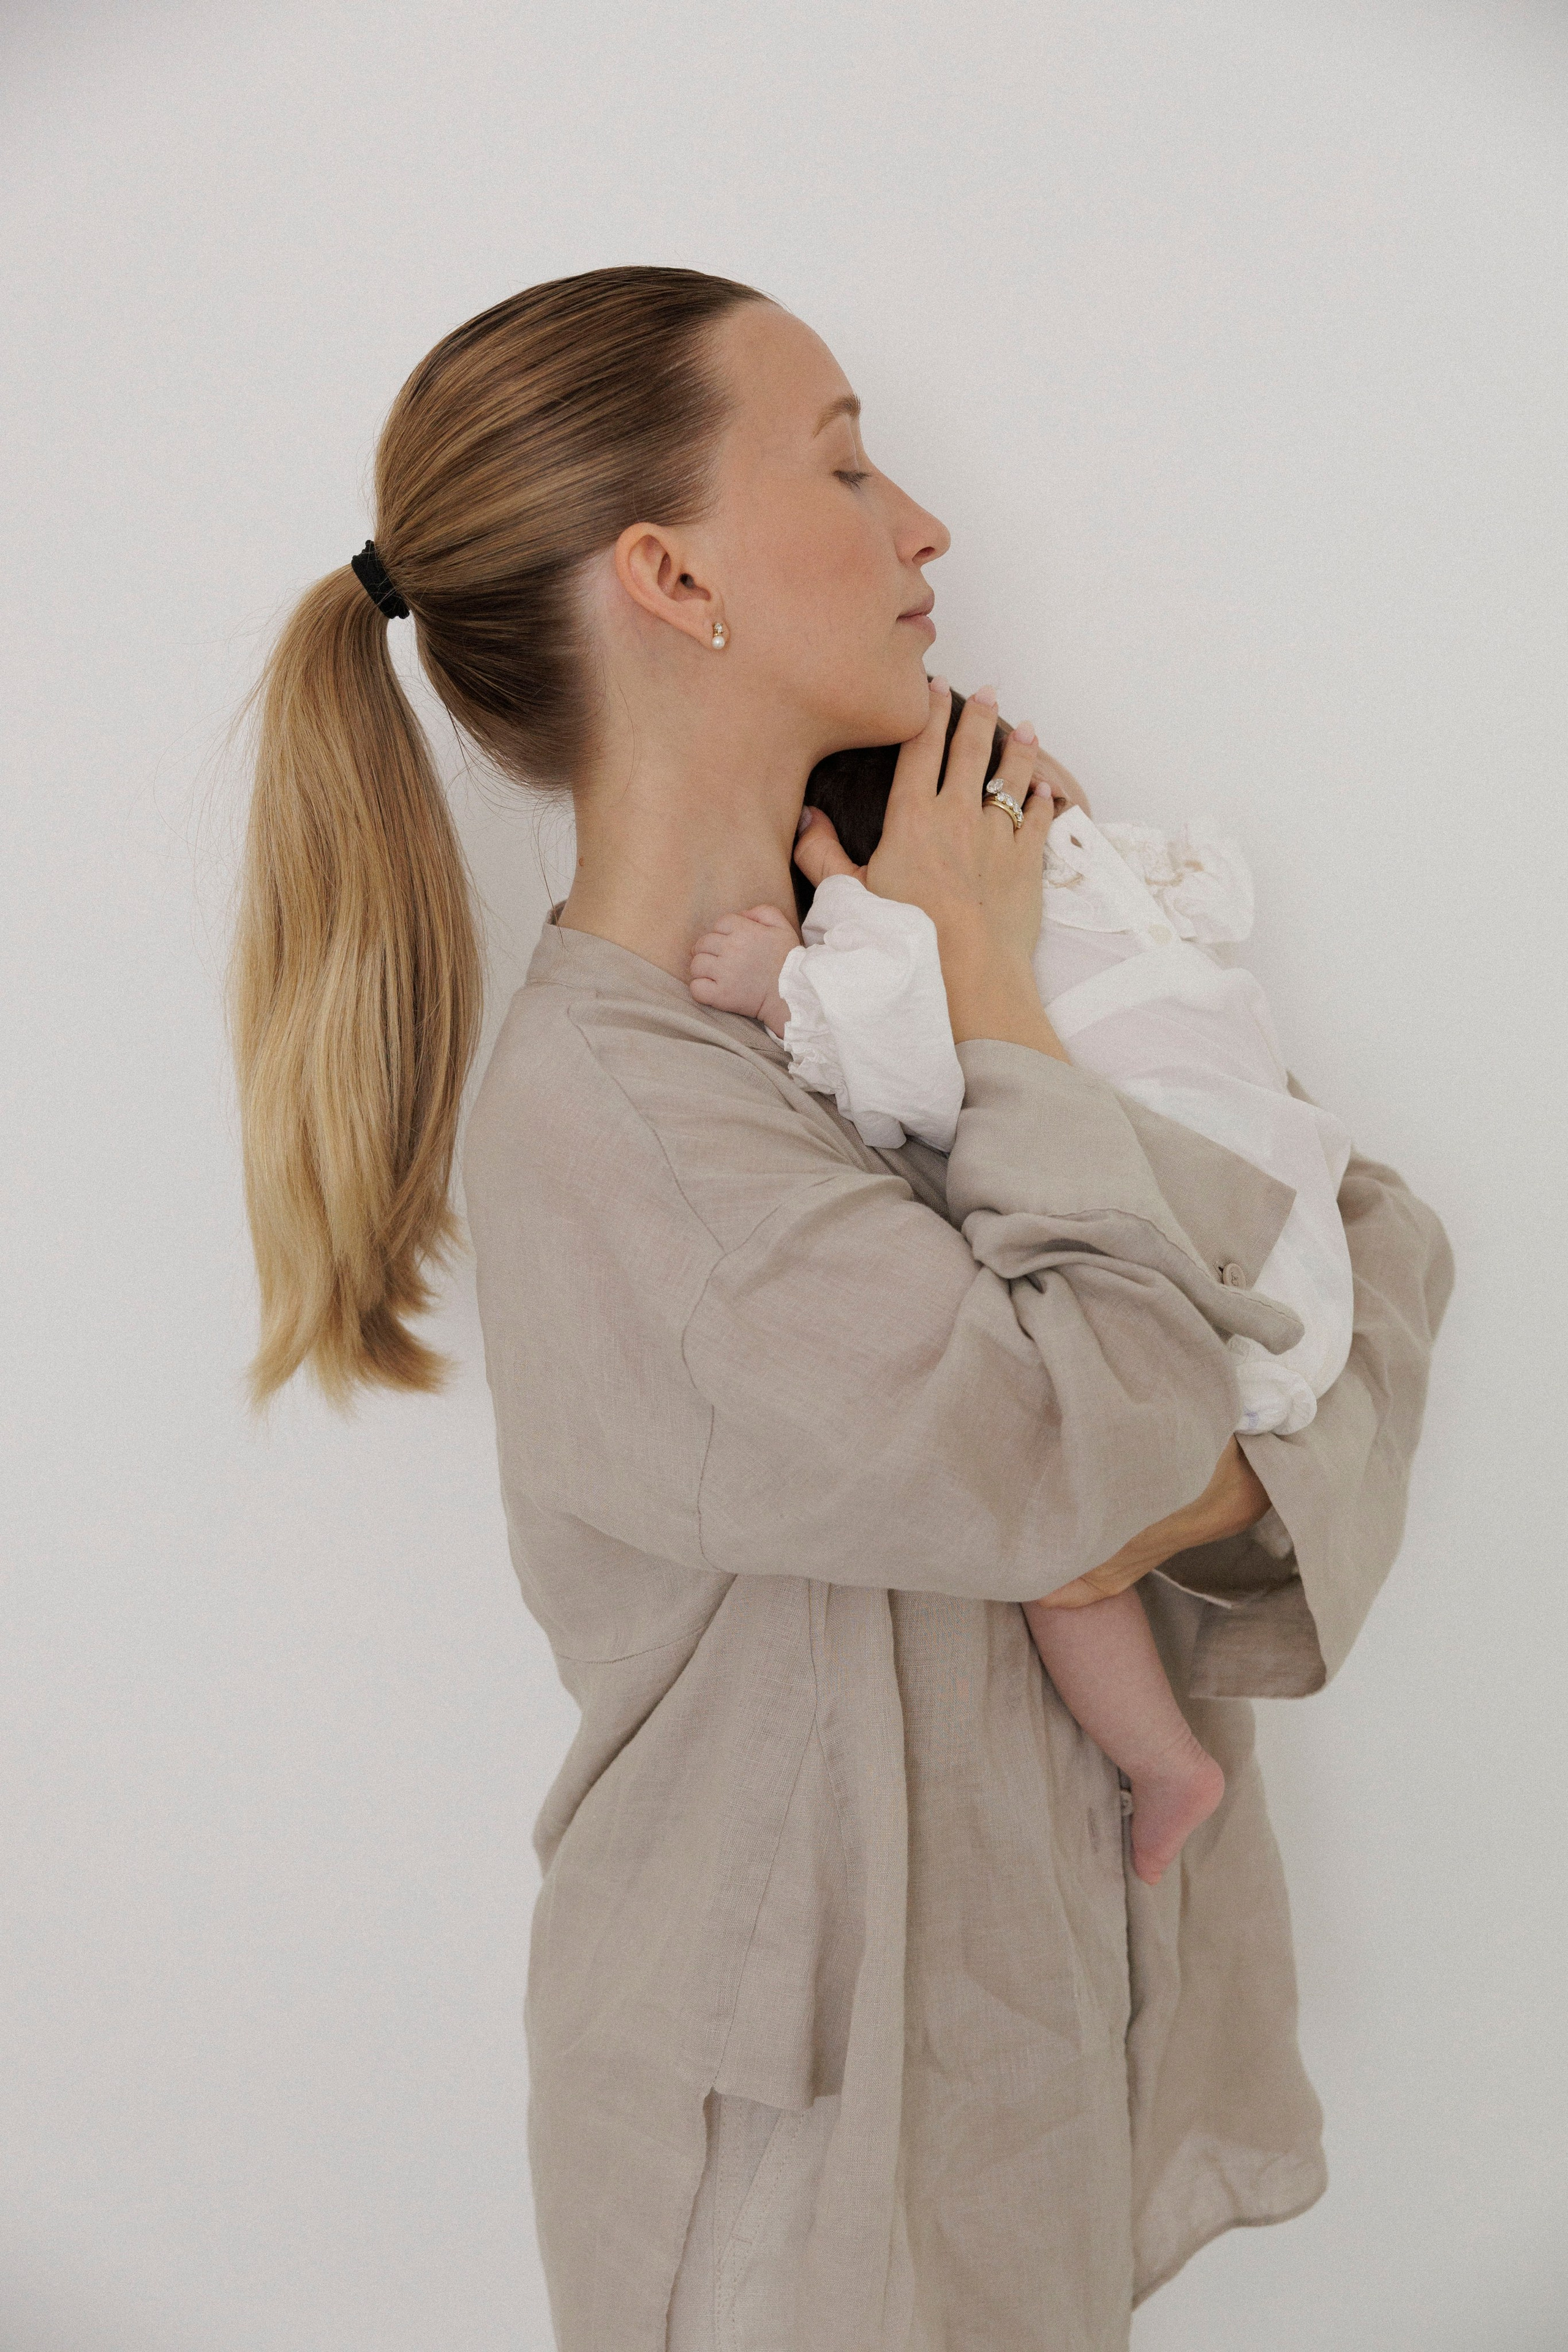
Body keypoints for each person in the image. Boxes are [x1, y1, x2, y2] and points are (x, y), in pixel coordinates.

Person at [228, 266, 1453, 2352]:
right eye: (847, 461)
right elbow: (1132, 1436)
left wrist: (1178, 1407)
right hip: (802, 2193)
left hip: (1003, 2080)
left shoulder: (885, 945)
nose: (925, 528)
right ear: (671, 578)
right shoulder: (632, 1126)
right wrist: (994, 995)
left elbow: (1376, 1242)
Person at [687, 715, 1356, 1885]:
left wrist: (786, 977)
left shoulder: (904, 928)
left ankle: (1163, 1763)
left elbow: (903, 1075)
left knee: (1046, 1546)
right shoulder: (1106, 874)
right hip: (1304, 1269)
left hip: (1206, 1287)